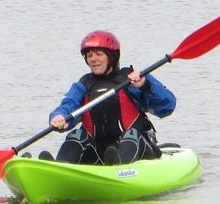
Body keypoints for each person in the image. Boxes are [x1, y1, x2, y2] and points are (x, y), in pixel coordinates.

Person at [46, 30, 176, 165]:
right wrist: (59, 117)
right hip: (99, 155)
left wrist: (145, 85)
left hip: (138, 151)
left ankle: (119, 168)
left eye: (99, 54)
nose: (93, 59)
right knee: (76, 136)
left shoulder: (131, 79)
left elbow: (167, 107)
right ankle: (58, 167)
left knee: (131, 135)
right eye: (89, 55)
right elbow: (68, 105)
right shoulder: (84, 85)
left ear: (112, 56)